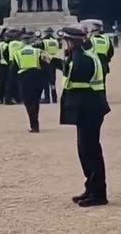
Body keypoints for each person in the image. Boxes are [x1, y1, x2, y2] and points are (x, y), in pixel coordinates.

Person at [58, 25, 110, 207]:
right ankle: (91, 188)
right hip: (88, 108)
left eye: (67, 41)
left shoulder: (81, 58)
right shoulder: (82, 56)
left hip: (89, 108)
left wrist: (66, 61)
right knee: (85, 151)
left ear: (72, 42)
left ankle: (98, 193)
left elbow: (75, 75)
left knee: (90, 152)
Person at [15, 33, 47, 133]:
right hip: (37, 76)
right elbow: (45, 65)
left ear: (22, 42)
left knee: (28, 102)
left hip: (24, 78)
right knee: (36, 101)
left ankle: (33, 124)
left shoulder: (18, 53)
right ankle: (35, 124)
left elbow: (13, 69)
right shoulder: (38, 52)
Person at [40, 28, 61, 104]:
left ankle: (47, 98)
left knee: (45, 82)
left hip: (45, 62)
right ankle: (54, 98)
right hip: (53, 61)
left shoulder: (43, 41)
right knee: (52, 82)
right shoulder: (56, 41)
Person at [0, 31, 12, 105]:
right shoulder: (7, 45)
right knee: (6, 82)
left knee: (1, 83)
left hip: (2, 65)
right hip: (6, 65)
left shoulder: (1, 44)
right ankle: (3, 98)